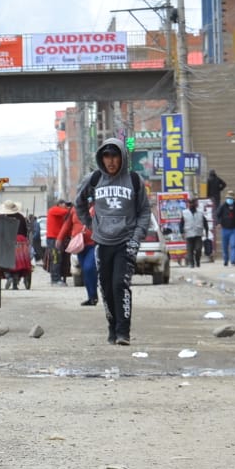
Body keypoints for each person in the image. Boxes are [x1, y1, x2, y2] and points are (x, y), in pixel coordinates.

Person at [75, 139, 150, 345]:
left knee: (120, 284)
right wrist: (91, 225)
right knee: (106, 287)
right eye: (107, 156)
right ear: (101, 158)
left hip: (126, 241)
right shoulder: (94, 179)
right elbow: (79, 202)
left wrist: (137, 236)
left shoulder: (134, 180)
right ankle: (112, 327)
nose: (111, 161)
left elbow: (144, 210)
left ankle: (123, 332)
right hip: (102, 243)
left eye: (115, 156)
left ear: (122, 158)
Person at [56, 201, 97, 306]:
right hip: (79, 246)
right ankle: (91, 297)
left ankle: (94, 295)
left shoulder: (98, 208)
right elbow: (67, 224)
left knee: (89, 268)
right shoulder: (74, 210)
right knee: (85, 271)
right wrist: (60, 238)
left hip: (93, 244)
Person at [0, 200, 32, 291]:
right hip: (21, 241)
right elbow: (25, 232)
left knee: (5, 260)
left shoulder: (3, 217)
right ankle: (15, 285)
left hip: (8, 240)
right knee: (19, 263)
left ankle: (9, 277)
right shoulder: (21, 217)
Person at [45, 199, 73, 285]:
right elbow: (66, 212)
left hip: (57, 239)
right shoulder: (54, 210)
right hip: (53, 239)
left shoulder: (59, 213)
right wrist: (72, 208)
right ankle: (55, 279)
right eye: (64, 204)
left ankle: (57, 277)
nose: (66, 206)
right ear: (59, 204)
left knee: (59, 259)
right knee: (56, 258)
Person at [214, 191, 235, 266]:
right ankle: (225, 260)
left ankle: (233, 260)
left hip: (234, 229)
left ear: (234, 199)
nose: (229, 199)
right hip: (225, 229)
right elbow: (217, 215)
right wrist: (218, 223)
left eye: (231, 198)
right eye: (228, 198)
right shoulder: (222, 206)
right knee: (225, 246)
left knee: (233, 245)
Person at [179, 198, 208, 269]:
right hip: (189, 234)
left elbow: (205, 223)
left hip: (198, 234)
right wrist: (182, 232)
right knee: (190, 250)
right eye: (190, 203)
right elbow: (181, 224)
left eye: (193, 203)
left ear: (195, 204)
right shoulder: (184, 213)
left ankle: (197, 260)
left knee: (198, 249)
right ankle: (191, 263)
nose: (191, 205)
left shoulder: (200, 213)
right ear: (188, 204)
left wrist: (206, 231)